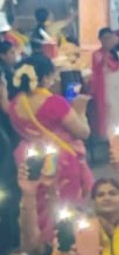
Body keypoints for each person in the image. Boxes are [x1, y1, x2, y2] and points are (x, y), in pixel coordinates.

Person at [9, 54, 91, 215]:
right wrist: (80, 110)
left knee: (41, 206)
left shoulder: (15, 104)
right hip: (59, 160)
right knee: (66, 207)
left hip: (31, 161)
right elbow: (83, 132)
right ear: (45, 77)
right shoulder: (55, 103)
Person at [90, 28, 119, 136]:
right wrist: (105, 52)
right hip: (105, 90)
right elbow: (99, 68)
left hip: (117, 90)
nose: (107, 41)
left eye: (109, 38)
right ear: (100, 40)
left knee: (118, 113)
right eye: (105, 38)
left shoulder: (115, 55)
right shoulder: (97, 54)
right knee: (109, 114)